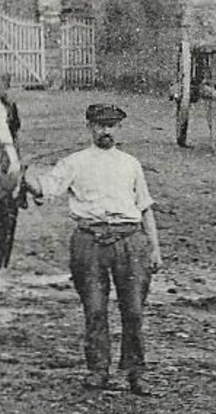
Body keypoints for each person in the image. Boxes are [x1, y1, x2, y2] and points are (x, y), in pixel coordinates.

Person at [23, 103, 164, 395]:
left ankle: (136, 372)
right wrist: (21, 176)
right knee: (95, 309)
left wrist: (154, 249)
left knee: (134, 310)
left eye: (111, 126)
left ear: (119, 129)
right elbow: (46, 188)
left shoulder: (130, 164)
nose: (106, 131)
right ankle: (98, 370)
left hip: (130, 240)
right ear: (89, 127)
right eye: (100, 125)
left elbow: (145, 208)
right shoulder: (73, 163)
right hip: (89, 241)